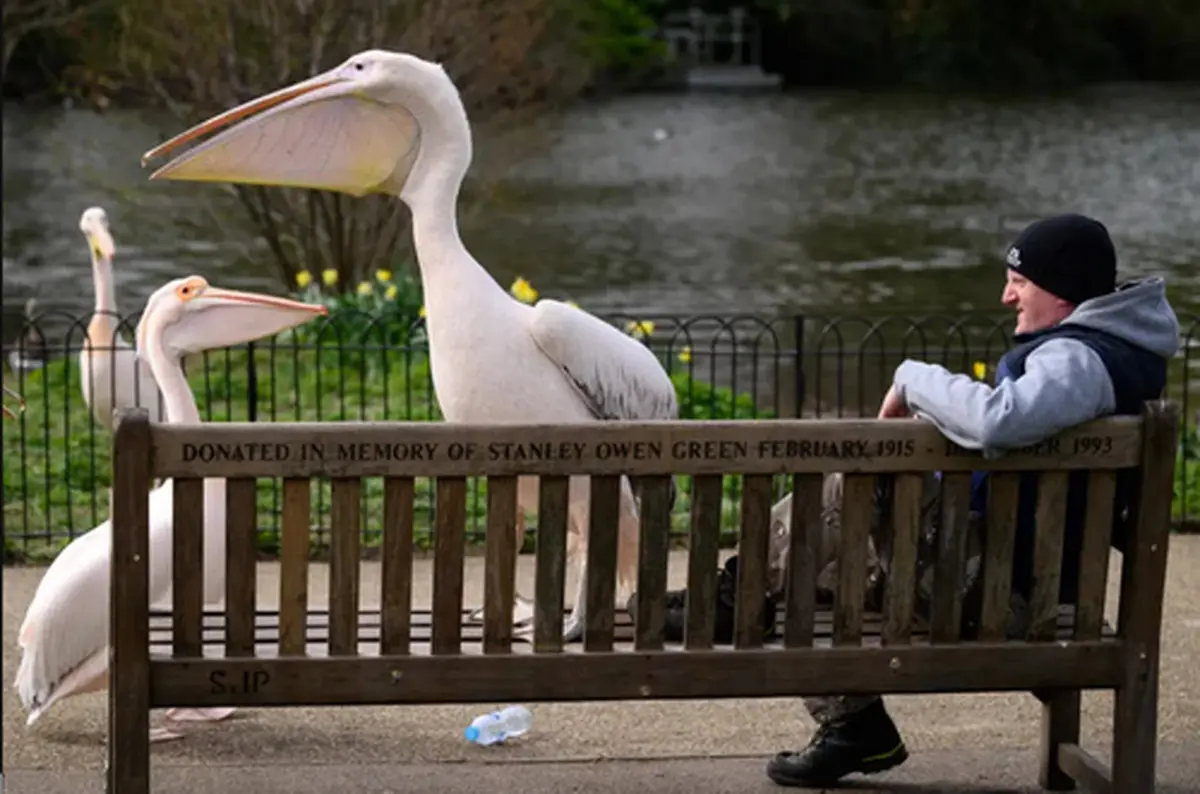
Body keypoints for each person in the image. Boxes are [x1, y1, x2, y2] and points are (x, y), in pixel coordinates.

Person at [763, 212, 1180, 787]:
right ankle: (842, 713)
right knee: (821, 564)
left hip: (1006, 602)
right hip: (1013, 584)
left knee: (839, 490)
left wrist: (912, 376)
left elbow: (995, 420)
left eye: (1020, 282)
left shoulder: (1079, 360)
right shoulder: (1112, 353)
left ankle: (745, 614)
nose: (1007, 295)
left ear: (1062, 293)